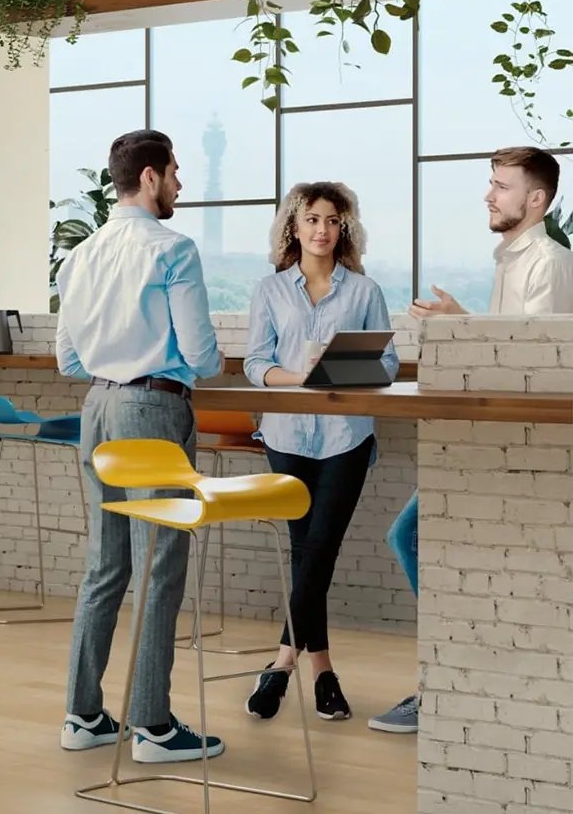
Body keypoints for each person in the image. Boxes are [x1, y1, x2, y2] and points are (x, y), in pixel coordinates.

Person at [371, 145, 573, 734]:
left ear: (536, 200)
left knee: (414, 534)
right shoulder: (512, 260)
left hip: (526, 452)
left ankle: (458, 677)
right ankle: (456, 674)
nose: (489, 195)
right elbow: (508, 349)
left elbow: (540, 367)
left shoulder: (548, 263)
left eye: (502, 186)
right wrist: (461, 321)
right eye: (490, 183)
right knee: (418, 537)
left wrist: (461, 328)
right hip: (490, 444)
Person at [56, 129, 226, 764]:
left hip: (96, 407)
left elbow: (69, 358)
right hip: (152, 407)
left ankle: (84, 716)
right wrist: (170, 360)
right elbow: (204, 355)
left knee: (105, 566)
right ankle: (154, 725)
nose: (180, 183)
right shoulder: (173, 249)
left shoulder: (79, 257)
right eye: (176, 172)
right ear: (150, 177)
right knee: (158, 568)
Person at [242, 181, 399, 722]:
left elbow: (388, 364)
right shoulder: (269, 290)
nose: (322, 230)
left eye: (332, 221)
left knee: (319, 550)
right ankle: (324, 675)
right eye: (311, 219)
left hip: (344, 438)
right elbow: (255, 363)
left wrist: (342, 372)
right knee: (307, 553)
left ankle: (280, 666)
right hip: (286, 437)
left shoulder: (363, 291)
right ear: (294, 226)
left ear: (344, 229)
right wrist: (299, 376)